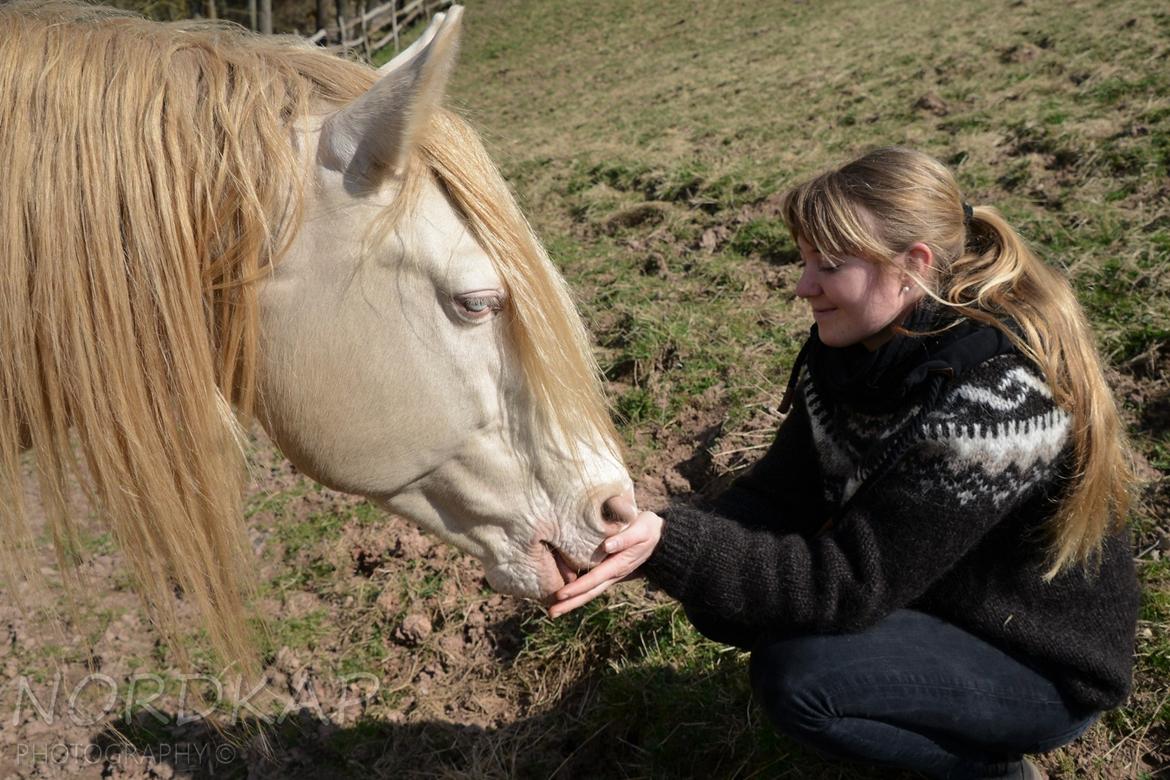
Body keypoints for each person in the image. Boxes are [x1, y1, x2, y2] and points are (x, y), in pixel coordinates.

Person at [550, 147, 1140, 780]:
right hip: (934, 602)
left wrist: (674, 548)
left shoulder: (993, 403)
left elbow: (851, 584)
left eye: (829, 266)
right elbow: (776, 499)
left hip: (1035, 662)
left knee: (802, 682)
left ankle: (994, 773)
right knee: (730, 604)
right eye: (804, 261)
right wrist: (640, 538)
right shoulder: (857, 354)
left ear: (912, 266)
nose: (804, 286)